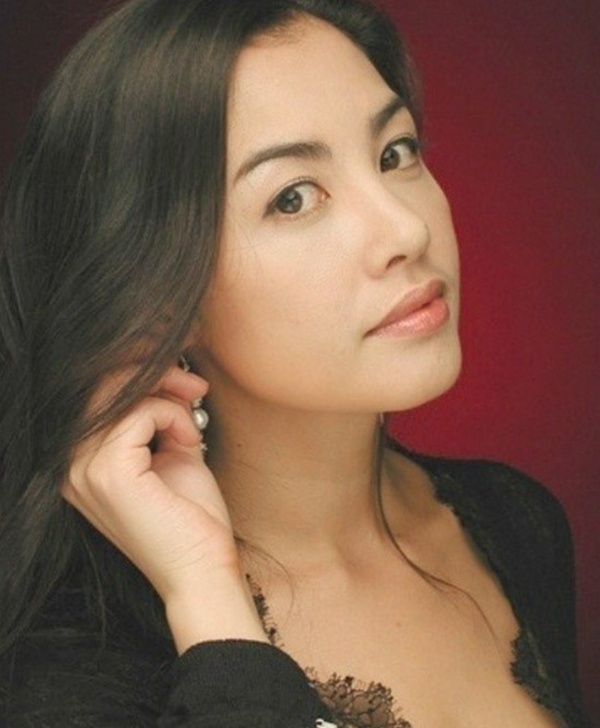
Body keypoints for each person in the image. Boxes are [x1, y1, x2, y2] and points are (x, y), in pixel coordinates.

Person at [0, 0, 592, 725]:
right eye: (292, 198)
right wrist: (206, 595)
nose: (407, 229)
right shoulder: (66, 672)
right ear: (158, 291)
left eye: (395, 153)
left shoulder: (515, 522)